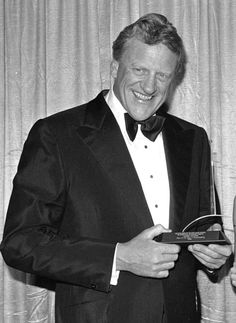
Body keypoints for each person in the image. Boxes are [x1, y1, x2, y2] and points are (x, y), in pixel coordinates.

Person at [0, 13, 232, 323]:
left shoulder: (194, 138)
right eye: (139, 69)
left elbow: (202, 225)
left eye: (162, 75)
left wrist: (213, 249)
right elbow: (20, 242)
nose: (149, 86)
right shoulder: (57, 134)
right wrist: (119, 257)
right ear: (114, 68)